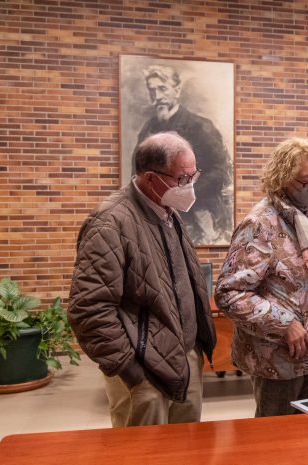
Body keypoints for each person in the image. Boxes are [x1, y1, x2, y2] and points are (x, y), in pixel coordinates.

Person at [69, 132, 216, 427]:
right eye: (182, 179)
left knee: (187, 451)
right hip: (142, 370)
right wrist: (131, 372)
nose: (190, 187)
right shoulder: (109, 222)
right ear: (151, 178)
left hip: (183, 357)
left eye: (193, 176)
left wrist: (196, 348)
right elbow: (89, 310)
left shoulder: (168, 211)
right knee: (141, 455)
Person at [215, 138, 308, 416]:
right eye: (305, 180)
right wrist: (284, 323)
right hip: (279, 359)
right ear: (282, 180)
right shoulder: (261, 223)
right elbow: (229, 294)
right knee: (274, 443)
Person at [136, 64, 233, 244]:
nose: (157, 97)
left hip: (201, 212)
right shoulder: (147, 130)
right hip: (159, 217)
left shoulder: (201, 127)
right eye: (152, 90)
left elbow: (221, 171)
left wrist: (187, 194)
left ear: (177, 90)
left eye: (162, 89)